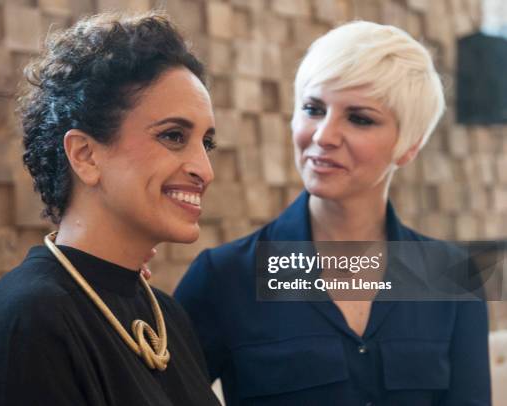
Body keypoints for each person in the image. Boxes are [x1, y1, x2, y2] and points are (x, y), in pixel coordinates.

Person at [175, 21, 491, 405]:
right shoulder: (223, 278)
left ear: (409, 146)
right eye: (313, 109)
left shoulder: (453, 279)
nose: (323, 135)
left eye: (359, 118)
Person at [0, 12, 220, 406]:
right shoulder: (27, 322)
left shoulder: (166, 315)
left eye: (206, 143)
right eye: (173, 136)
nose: (203, 169)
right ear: (86, 155)